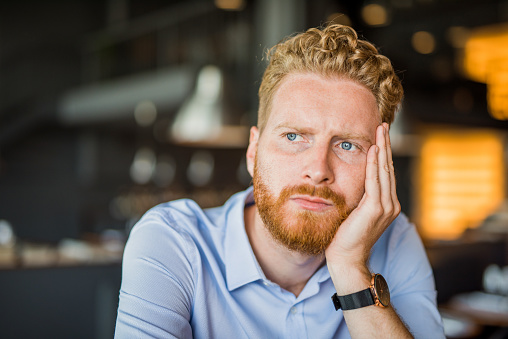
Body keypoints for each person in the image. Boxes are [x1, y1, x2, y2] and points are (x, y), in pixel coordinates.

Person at [114, 24, 445, 338]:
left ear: (380, 164)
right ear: (253, 150)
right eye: (293, 136)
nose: (318, 170)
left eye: (347, 145)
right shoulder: (172, 243)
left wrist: (350, 269)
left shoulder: (397, 240)